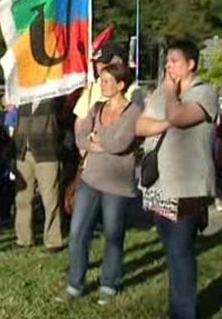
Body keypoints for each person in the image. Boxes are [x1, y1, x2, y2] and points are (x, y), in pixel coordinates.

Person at [135, 40, 218, 319]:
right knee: (171, 250)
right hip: (159, 185)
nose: (169, 66)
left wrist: (171, 96)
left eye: (174, 61)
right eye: (167, 61)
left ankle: (184, 313)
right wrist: (163, 122)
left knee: (182, 250)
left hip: (188, 186)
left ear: (191, 64)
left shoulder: (204, 92)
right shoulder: (161, 92)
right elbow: (141, 125)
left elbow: (180, 116)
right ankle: (177, 307)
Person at [62, 63, 141, 304]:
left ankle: (109, 284)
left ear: (121, 85)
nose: (102, 85)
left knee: (113, 235)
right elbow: (80, 138)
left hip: (117, 184)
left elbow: (121, 143)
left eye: (107, 81)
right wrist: (97, 142)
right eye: (101, 80)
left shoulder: (133, 112)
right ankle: (75, 283)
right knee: (77, 233)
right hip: (90, 179)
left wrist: (98, 139)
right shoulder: (96, 108)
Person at [13, 96, 64, 251]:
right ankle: (23, 238)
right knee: (22, 199)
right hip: (23, 153)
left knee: (50, 198)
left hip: (46, 153)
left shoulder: (54, 100)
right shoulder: (24, 101)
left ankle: (53, 240)